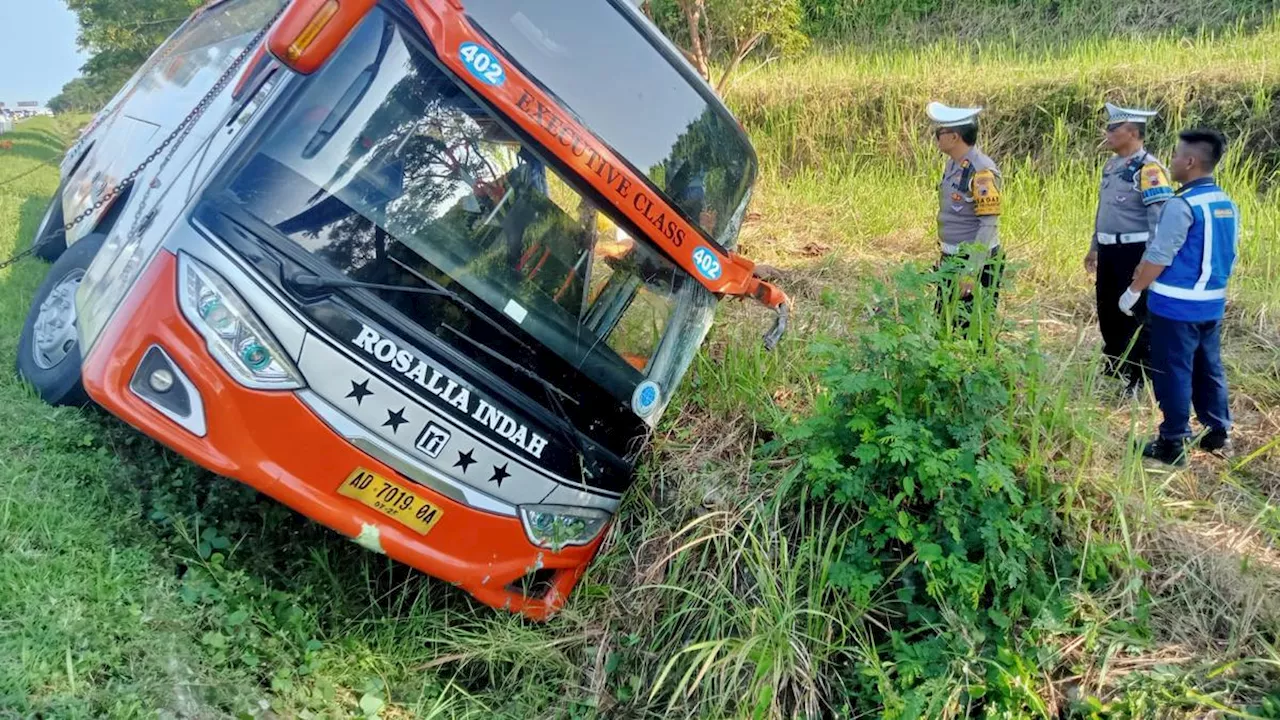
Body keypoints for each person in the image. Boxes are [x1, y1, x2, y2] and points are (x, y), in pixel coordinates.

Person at [1120, 128, 1238, 466]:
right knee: (1209, 366)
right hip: (1212, 303)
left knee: (1173, 370)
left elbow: (1159, 256)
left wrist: (1133, 291)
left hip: (1176, 305)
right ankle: (1218, 432)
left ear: (1190, 161)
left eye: (1175, 155)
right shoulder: (1224, 202)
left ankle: (1172, 441)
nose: (1170, 162)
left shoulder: (1181, 204)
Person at [1086, 103, 1174, 394]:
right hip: (1110, 250)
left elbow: (1160, 218)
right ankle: (1115, 368)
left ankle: (1139, 378)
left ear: (1133, 132)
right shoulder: (1111, 166)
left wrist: (1149, 258)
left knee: (1135, 313)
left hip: (1135, 251)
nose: (1107, 133)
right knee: (1108, 309)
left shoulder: (1149, 169)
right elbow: (1104, 211)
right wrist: (1095, 246)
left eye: (1113, 128)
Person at [927, 102, 1004, 325]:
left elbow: (989, 224)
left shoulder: (981, 171)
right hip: (953, 258)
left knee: (972, 331)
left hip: (973, 262)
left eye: (939, 132)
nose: (936, 138)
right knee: (944, 325)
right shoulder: (954, 165)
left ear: (954, 137)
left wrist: (971, 270)